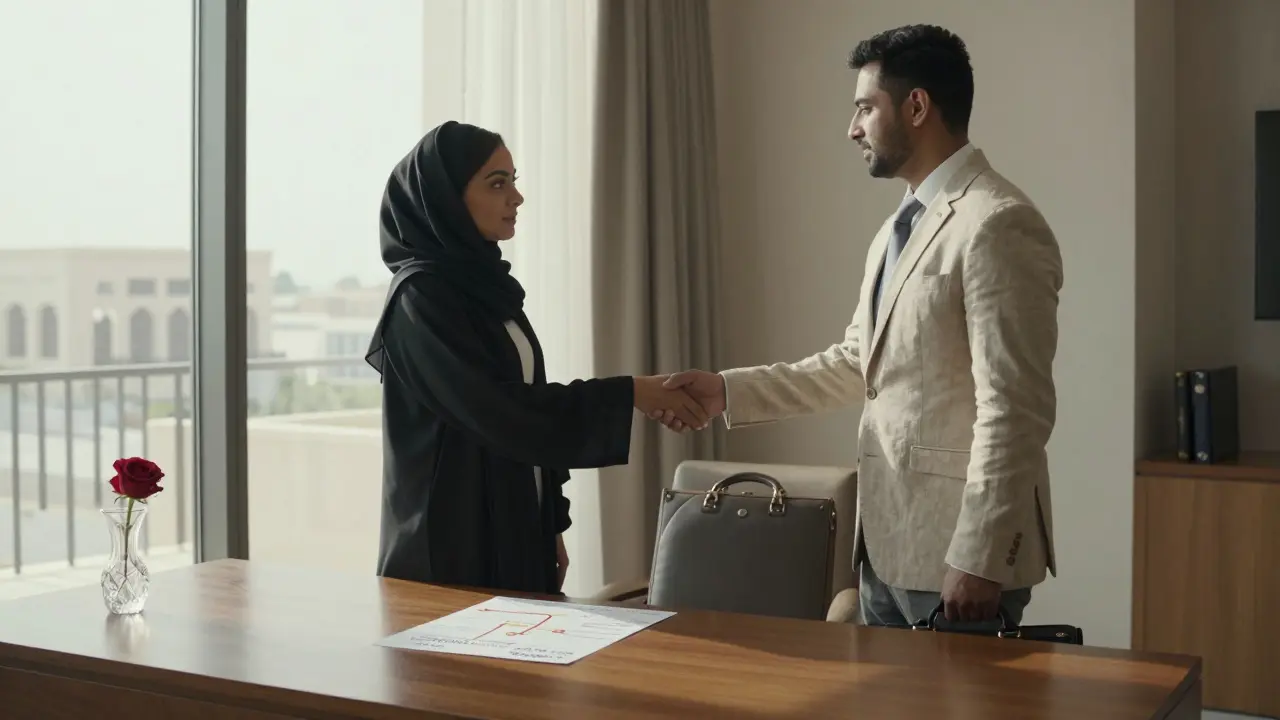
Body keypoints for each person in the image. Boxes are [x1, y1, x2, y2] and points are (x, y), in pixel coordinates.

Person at [656, 25, 1063, 628]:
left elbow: (1016, 407)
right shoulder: (901, 225)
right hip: (884, 550)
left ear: (917, 106)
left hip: (957, 561)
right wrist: (728, 390)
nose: (852, 128)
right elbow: (858, 364)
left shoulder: (997, 223)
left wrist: (980, 554)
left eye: (865, 107)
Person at [366, 121, 709, 595]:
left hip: (512, 528)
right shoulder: (420, 299)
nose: (516, 198)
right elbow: (501, 412)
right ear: (446, 198)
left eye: (514, 180)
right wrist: (629, 392)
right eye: (497, 183)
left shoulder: (487, 291)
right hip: (450, 549)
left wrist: (549, 525)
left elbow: (526, 412)